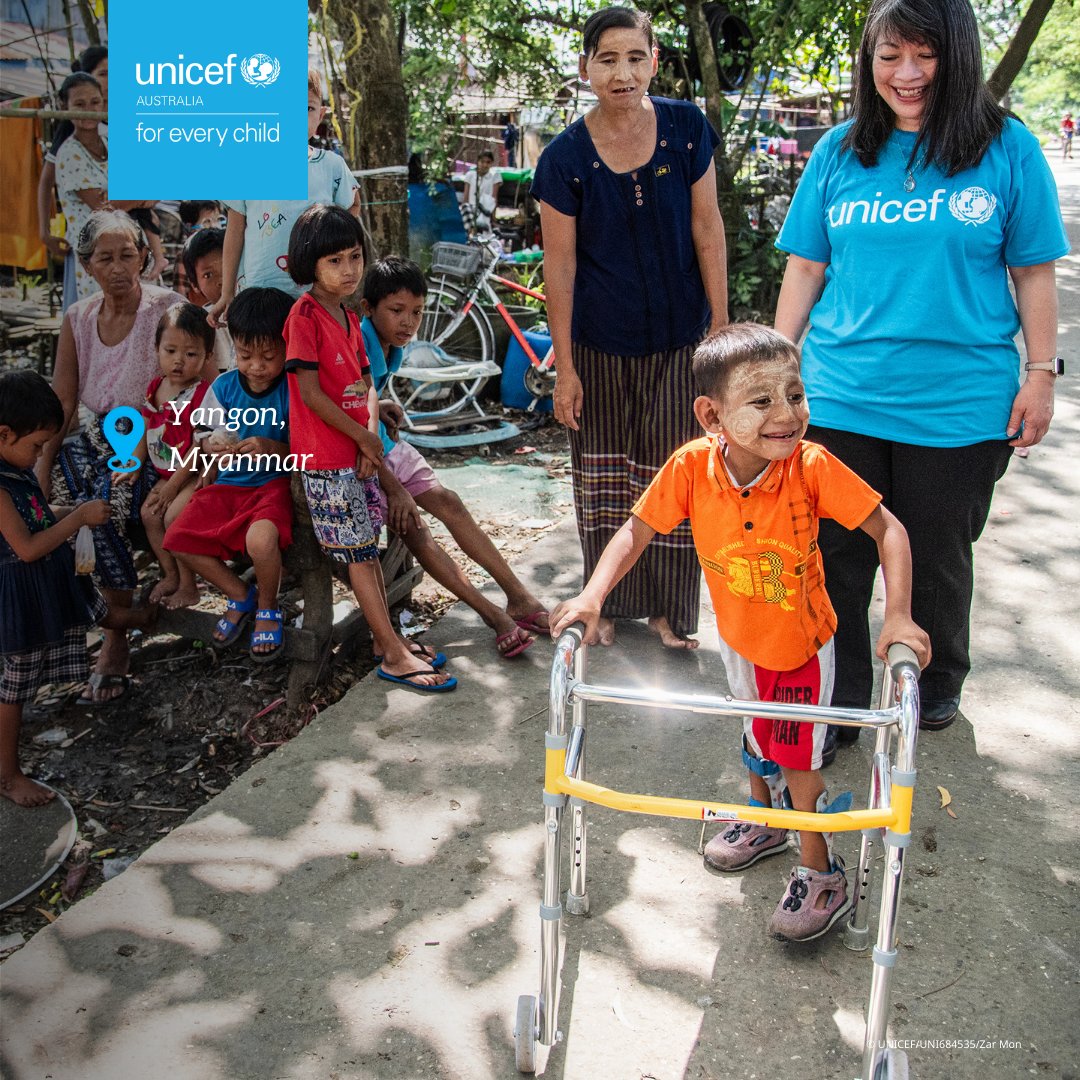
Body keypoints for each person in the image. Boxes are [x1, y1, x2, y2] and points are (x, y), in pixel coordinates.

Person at [550, 325, 930, 941]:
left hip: (801, 646)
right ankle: (764, 819)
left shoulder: (811, 467)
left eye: (796, 395)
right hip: (739, 638)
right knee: (755, 733)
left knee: (798, 760)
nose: (788, 415)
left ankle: (823, 871)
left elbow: (891, 531)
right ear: (711, 414)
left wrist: (898, 615)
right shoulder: (691, 468)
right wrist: (593, 597)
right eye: (762, 402)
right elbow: (635, 532)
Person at [774, 0, 1068, 736]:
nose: (906, 74)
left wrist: (1041, 374)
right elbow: (807, 266)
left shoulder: (1006, 149)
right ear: (868, 61)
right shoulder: (841, 151)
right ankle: (838, 701)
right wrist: (777, 368)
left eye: (925, 55)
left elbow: (1033, 272)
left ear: (957, 56)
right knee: (834, 558)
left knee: (937, 557)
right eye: (889, 55)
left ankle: (935, 681)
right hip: (841, 397)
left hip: (960, 405)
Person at [532, 5, 728, 651]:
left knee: (677, 473)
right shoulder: (564, 159)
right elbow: (558, 267)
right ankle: (602, 601)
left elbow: (707, 228)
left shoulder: (686, 129)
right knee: (606, 475)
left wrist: (720, 331)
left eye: (635, 57)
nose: (623, 72)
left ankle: (672, 611)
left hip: (682, 341)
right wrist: (565, 365)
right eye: (608, 59)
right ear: (586, 68)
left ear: (654, 59)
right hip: (600, 344)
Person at [284, 206, 455, 693]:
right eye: (334, 260)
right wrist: (362, 436)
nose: (349, 269)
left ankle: (387, 642)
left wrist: (369, 435)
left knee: (366, 552)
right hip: (324, 460)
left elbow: (365, 382)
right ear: (309, 264)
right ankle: (394, 653)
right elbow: (312, 394)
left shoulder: (345, 314)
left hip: (356, 455)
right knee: (359, 556)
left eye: (355, 257)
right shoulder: (305, 316)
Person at [36, 211, 204, 705]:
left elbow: (198, 379)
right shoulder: (78, 318)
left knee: (103, 505)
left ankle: (116, 635)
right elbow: (63, 405)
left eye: (127, 254)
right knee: (43, 510)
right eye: (105, 258)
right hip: (94, 440)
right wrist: (41, 472)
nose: (118, 267)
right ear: (86, 265)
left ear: (143, 257)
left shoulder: (167, 307)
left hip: (157, 441)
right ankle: (78, 623)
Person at [360, 256, 550, 657]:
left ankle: (519, 598)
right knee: (414, 527)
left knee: (450, 502)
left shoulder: (389, 345)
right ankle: (492, 615)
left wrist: (385, 403)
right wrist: (394, 489)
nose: (408, 322)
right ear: (369, 308)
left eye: (416, 312)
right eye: (396, 311)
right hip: (364, 459)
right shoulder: (362, 341)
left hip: (386, 446)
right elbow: (353, 416)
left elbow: (368, 400)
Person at [1, 372, 155, 805]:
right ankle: (8, 775)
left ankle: (141, 618)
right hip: (18, 592)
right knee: (13, 689)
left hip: (38, 583)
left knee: (24, 679)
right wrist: (76, 520)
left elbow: (34, 515)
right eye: (34, 447)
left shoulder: (14, 468)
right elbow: (27, 547)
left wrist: (66, 510)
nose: (38, 457)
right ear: (4, 433)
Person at [164, 289, 295, 662]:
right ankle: (240, 593)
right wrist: (211, 445)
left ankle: (269, 606)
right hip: (229, 485)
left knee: (260, 541)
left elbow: (307, 452)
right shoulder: (222, 388)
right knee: (177, 537)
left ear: (287, 349)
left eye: (269, 356)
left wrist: (273, 448)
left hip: (273, 486)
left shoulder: (293, 389)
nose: (256, 366)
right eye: (245, 355)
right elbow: (203, 436)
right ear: (232, 347)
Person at [209, 70, 361, 322]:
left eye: (308, 108)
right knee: (259, 360)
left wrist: (334, 248)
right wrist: (227, 294)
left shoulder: (331, 166)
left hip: (315, 297)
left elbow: (352, 206)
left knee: (308, 360)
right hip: (257, 293)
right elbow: (234, 230)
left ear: (320, 115)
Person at [130, 304, 215, 607]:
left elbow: (199, 448)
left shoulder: (204, 394)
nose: (179, 360)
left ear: (207, 356)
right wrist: (135, 463)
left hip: (193, 473)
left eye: (191, 354)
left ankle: (189, 585)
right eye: (170, 350)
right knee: (148, 515)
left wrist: (174, 486)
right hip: (166, 474)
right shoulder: (156, 388)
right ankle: (170, 575)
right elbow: (145, 428)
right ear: (157, 349)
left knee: (172, 516)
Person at [37, 47, 109, 306]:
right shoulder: (72, 133)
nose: (109, 81)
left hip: (127, 235)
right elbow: (47, 180)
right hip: (89, 241)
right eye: (103, 73)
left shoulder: (111, 125)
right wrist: (44, 232)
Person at [181, 227, 234, 370]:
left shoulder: (259, 308)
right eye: (208, 275)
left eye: (227, 268)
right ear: (195, 285)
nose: (222, 280)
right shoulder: (200, 326)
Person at [460, 150, 501, 236]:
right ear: (478, 162)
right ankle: (471, 233)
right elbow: (465, 197)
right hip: (471, 209)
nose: (485, 165)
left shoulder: (495, 176)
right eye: (482, 162)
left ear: (491, 163)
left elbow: (494, 198)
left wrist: (493, 218)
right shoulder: (470, 175)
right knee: (464, 208)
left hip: (485, 210)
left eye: (488, 162)